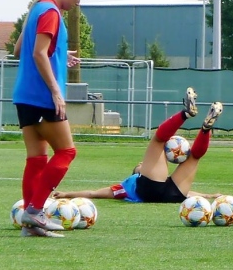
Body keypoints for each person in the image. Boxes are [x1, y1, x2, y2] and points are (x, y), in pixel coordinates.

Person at [12, 0, 87, 238]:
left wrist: (60, 56)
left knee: (36, 158)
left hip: (24, 95)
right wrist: (56, 90)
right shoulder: (52, 12)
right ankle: (35, 211)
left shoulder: (37, 8)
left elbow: (21, 48)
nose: (77, 4)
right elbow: (37, 54)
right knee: (67, 152)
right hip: (42, 96)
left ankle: (29, 224)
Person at [54, 87, 224, 204]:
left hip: (161, 193)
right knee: (163, 142)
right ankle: (200, 126)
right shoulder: (133, 180)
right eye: (140, 165)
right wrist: (208, 195)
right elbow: (94, 194)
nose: (142, 164)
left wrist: (67, 194)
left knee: (193, 155)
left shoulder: (127, 187)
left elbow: (95, 193)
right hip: (174, 194)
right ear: (138, 172)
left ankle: (197, 122)